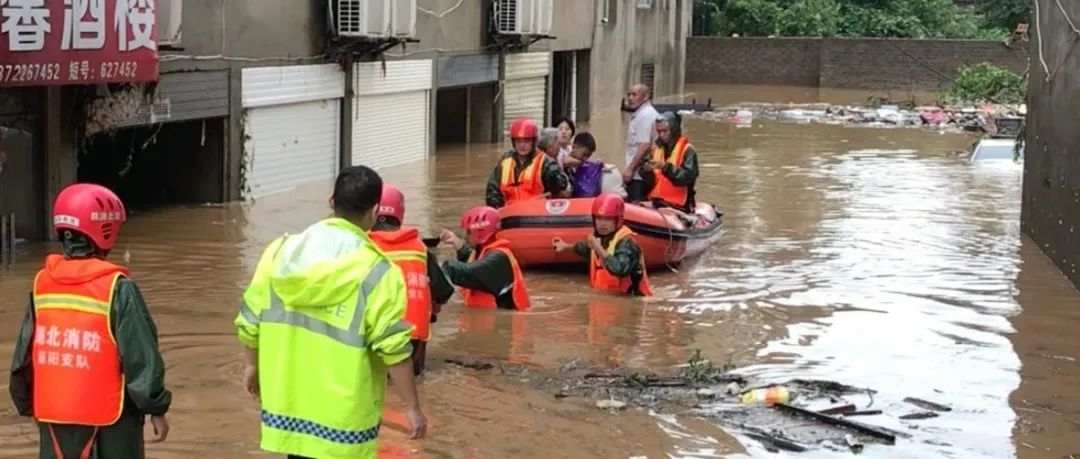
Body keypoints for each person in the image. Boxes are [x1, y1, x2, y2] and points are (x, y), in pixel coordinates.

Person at [234, 166, 427, 459]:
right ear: (375, 211)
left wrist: (252, 365)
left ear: (330, 201)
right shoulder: (377, 271)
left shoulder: (279, 252)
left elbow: (250, 320)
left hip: (289, 414)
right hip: (343, 426)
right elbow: (394, 349)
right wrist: (412, 408)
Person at [9, 183, 172, 459]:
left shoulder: (42, 285)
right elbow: (141, 357)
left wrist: (26, 404)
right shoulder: (118, 288)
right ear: (106, 231)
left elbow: (23, 358)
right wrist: (156, 408)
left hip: (54, 420)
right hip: (111, 425)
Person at [369, 184, 455, 376]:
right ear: (400, 214)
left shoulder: (362, 246)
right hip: (413, 338)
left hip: (371, 336)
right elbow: (444, 291)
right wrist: (433, 304)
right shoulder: (419, 249)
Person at [553, 193, 653, 296]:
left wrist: (598, 248)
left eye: (608, 219)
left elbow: (620, 269)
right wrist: (565, 246)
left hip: (630, 300)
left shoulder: (627, 243)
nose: (602, 224)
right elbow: (584, 248)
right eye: (599, 219)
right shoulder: (599, 239)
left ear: (617, 220)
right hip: (605, 299)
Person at [439, 206, 531, 311]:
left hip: (501, 325)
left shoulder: (498, 258)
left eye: (468, 232)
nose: (465, 236)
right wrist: (457, 243)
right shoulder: (488, 251)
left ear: (479, 232)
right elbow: (474, 265)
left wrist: (444, 268)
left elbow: (471, 273)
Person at [485, 118, 569, 209]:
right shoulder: (505, 162)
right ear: (514, 142)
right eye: (519, 141)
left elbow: (561, 184)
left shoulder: (545, 162)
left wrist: (555, 177)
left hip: (536, 213)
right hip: (509, 213)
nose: (522, 145)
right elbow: (492, 188)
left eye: (526, 141)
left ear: (533, 142)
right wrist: (496, 206)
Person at [641, 111, 700, 213]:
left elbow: (687, 178)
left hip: (680, 205)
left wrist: (665, 167)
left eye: (665, 131)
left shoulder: (688, 150)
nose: (661, 135)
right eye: (659, 131)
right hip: (657, 201)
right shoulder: (656, 148)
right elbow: (651, 180)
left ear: (674, 130)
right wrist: (646, 170)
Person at [623, 83, 660, 203]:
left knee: (636, 204)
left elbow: (644, 145)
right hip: (642, 172)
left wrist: (630, 169)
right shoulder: (643, 114)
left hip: (639, 175)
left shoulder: (645, 115)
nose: (630, 98)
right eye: (629, 94)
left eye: (634, 94)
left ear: (646, 97)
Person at [567, 132, 604, 198]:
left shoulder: (582, 162)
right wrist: (583, 162)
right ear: (574, 147)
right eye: (584, 154)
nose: (585, 158)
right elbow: (565, 161)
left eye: (588, 156)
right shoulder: (566, 153)